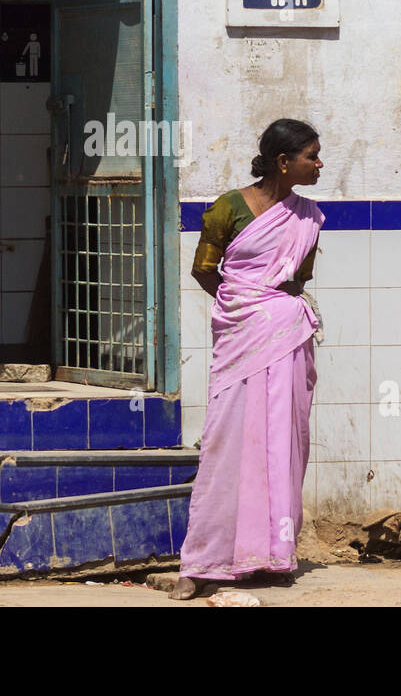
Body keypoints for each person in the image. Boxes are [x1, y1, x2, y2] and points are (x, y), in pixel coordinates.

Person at [171, 118, 324, 600]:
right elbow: (204, 270)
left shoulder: (308, 217)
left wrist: (272, 309)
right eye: (311, 156)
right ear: (283, 162)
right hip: (242, 336)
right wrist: (245, 307)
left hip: (288, 339)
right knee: (229, 441)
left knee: (282, 441)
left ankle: (273, 555)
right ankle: (208, 558)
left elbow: (296, 281)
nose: (319, 165)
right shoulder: (227, 208)